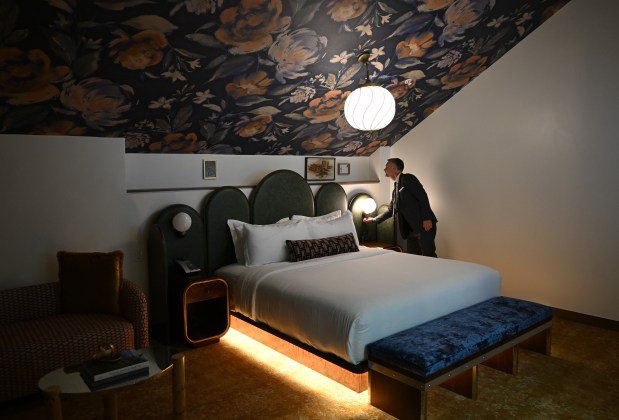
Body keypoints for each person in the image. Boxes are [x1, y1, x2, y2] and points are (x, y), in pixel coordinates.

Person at [363, 158, 438, 257]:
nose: (384, 169)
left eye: (387, 166)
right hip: (411, 231)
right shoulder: (395, 189)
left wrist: (427, 218)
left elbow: (422, 196)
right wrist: (374, 220)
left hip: (424, 226)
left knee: (429, 256)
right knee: (413, 258)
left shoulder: (408, 178)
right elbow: (390, 211)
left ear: (395, 169)